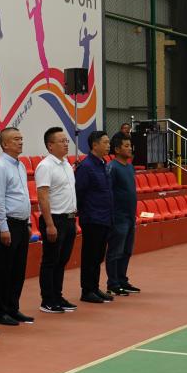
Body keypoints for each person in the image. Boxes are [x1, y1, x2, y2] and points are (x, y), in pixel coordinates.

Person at [0, 127, 34, 326]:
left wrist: (29, 222)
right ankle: (0, 312)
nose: (20, 142)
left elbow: (24, 196)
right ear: (4, 144)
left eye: (21, 138)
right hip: (8, 224)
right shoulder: (0, 167)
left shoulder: (20, 165)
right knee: (4, 270)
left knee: (18, 269)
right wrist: (4, 228)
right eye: (16, 139)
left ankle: (13, 308)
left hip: (21, 224)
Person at [34, 127, 78, 314]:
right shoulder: (45, 166)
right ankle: (47, 300)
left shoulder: (66, 164)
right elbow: (43, 196)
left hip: (69, 219)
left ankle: (57, 295)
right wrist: (50, 224)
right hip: (55, 219)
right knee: (50, 260)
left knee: (62, 260)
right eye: (61, 141)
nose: (66, 144)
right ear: (50, 145)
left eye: (66, 141)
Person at [74, 130, 114, 304]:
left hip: (104, 216)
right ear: (94, 145)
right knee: (90, 256)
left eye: (108, 142)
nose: (108, 145)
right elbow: (79, 192)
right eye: (105, 142)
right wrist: (85, 212)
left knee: (98, 256)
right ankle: (87, 290)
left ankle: (94, 287)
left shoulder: (103, 163)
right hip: (92, 218)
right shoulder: (86, 166)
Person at [106, 132, 141, 297]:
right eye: (126, 146)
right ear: (117, 149)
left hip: (129, 216)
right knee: (115, 251)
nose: (130, 149)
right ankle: (113, 283)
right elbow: (108, 192)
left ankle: (122, 280)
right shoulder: (112, 167)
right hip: (118, 216)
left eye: (130, 145)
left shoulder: (129, 167)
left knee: (127, 250)